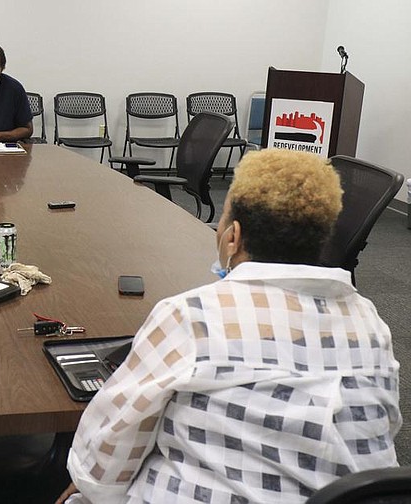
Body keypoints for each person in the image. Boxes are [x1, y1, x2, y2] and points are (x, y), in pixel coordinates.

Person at [56, 149, 401, 504]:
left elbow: (109, 444)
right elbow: (385, 428)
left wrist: (85, 485)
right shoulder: (370, 322)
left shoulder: (193, 315)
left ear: (232, 237)